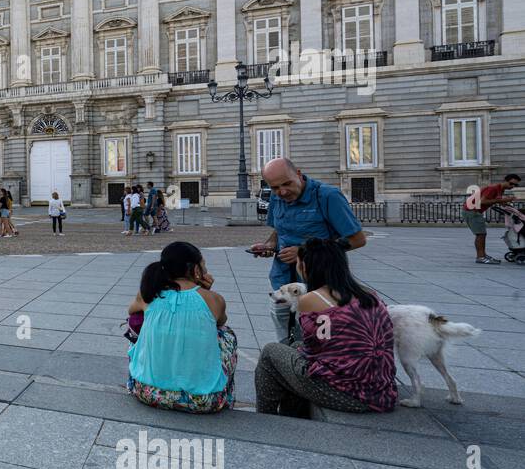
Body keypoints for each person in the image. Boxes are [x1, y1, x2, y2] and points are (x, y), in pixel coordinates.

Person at [255, 238, 396, 416]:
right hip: (381, 390)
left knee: (270, 352)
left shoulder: (312, 300)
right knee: (292, 348)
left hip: (346, 393)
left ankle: (265, 417)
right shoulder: (369, 295)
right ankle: (292, 415)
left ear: (306, 266)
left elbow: (313, 350)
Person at [251, 157, 366, 341]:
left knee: (317, 340)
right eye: (275, 188)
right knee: (284, 336)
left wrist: (304, 252)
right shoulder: (276, 197)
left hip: (320, 285)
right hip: (282, 283)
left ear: (298, 174)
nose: (282, 191)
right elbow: (278, 230)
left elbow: (358, 239)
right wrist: (270, 245)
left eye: (287, 184)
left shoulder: (328, 196)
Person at [125, 241, 237, 413]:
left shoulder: (149, 294)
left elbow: (132, 312)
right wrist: (205, 291)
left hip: (147, 392)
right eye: (203, 265)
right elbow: (220, 321)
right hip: (203, 400)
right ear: (196, 270)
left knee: (138, 321)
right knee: (226, 335)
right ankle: (225, 396)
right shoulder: (214, 299)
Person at [462, 172, 520, 264]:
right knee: (480, 234)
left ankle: (483, 255)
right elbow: (482, 201)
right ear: (505, 181)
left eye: (515, 185)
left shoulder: (500, 189)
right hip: (472, 211)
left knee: (482, 234)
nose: (512, 186)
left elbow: (496, 200)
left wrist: (505, 203)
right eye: (511, 183)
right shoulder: (493, 188)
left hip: (474, 211)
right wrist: (502, 200)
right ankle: (481, 257)